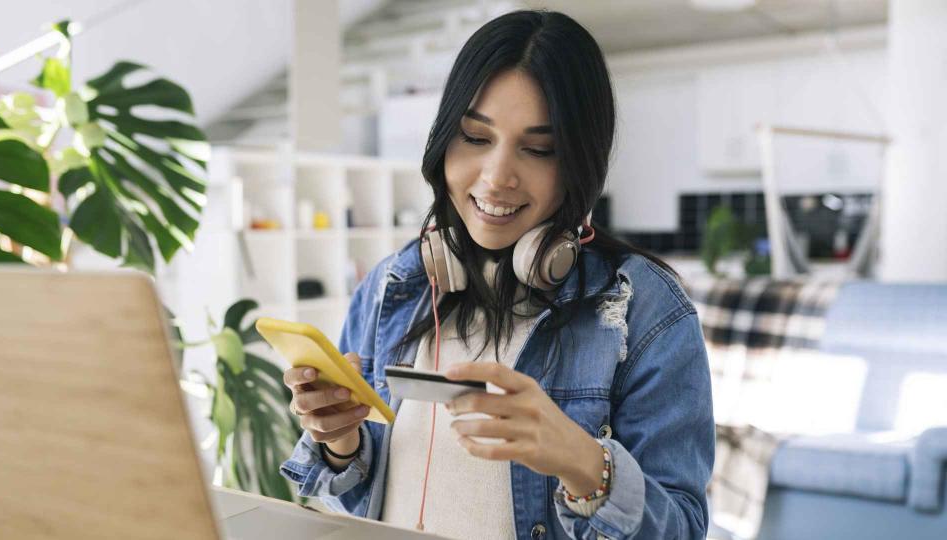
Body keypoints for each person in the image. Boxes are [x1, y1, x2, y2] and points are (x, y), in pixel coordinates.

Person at [280, 9, 714, 540]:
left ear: (580, 162)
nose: (497, 176)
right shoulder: (394, 284)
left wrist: (583, 463)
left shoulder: (644, 310)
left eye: (539, 149)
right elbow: (359, 496)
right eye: (475, 137)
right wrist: (339, 441)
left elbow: (683, 530)